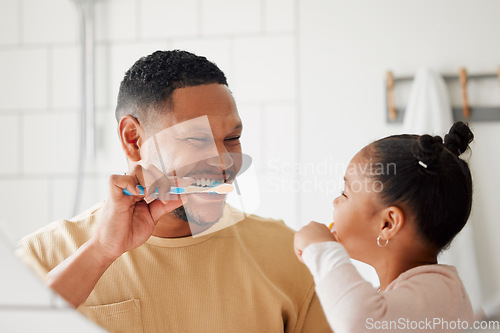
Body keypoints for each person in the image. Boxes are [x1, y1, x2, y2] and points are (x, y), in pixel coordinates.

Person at [17, 50, 331, 333]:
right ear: (133, 139)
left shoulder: (287, 252)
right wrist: (100, 251)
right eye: (196, 139)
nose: (225, 162)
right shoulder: (42, 257)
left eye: (232, 138)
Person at [294, 121, 475, 333]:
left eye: (345, 193)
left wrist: (322, 250)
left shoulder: (441, 294)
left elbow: (357, 320)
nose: (336, 201)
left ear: (388, 224)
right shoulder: (407, 297)